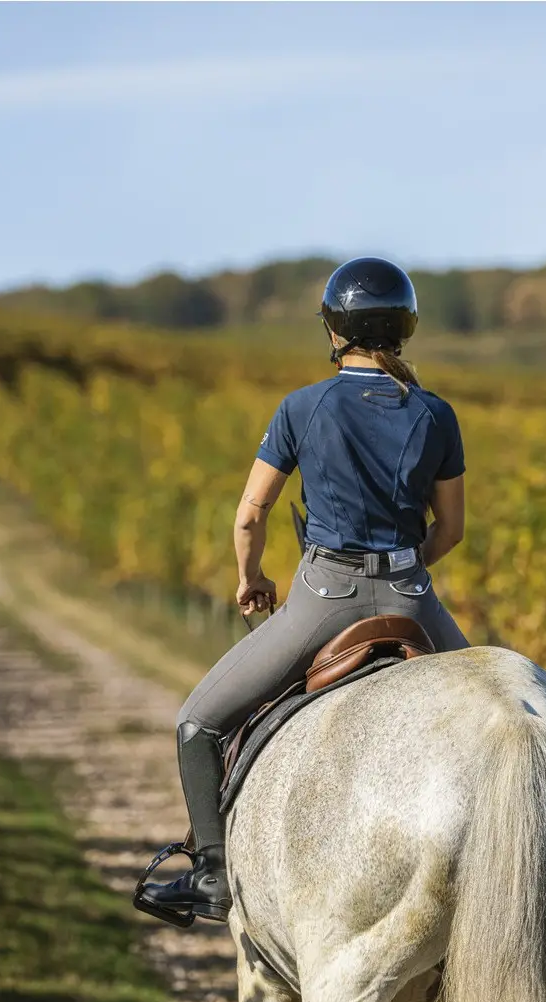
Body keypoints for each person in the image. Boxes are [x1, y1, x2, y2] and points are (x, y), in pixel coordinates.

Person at [136, 256, 470, 925]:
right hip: (412, 598)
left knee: (198, 723)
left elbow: (251, 514)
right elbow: (452, 529)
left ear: (335, 329)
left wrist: (251, 578)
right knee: (504, 721)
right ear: (402, 328)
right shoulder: (435, 414)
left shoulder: (302, 407)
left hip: (325, 599)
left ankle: (210, 873)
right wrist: (402, 566)